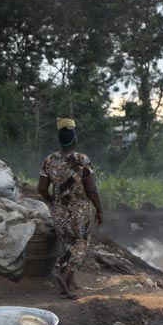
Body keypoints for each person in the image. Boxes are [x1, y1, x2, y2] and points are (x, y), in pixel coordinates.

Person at [37, 118, 104, 298]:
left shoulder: (49, 160)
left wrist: (53, 201)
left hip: (59, 211)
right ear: (74, 139)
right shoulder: (82, 160)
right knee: (81, 243)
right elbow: (91, 188)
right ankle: (64, 275)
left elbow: (42, 188)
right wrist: (99, 209)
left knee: (66, 243)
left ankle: (70, 281)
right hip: (79, 210)